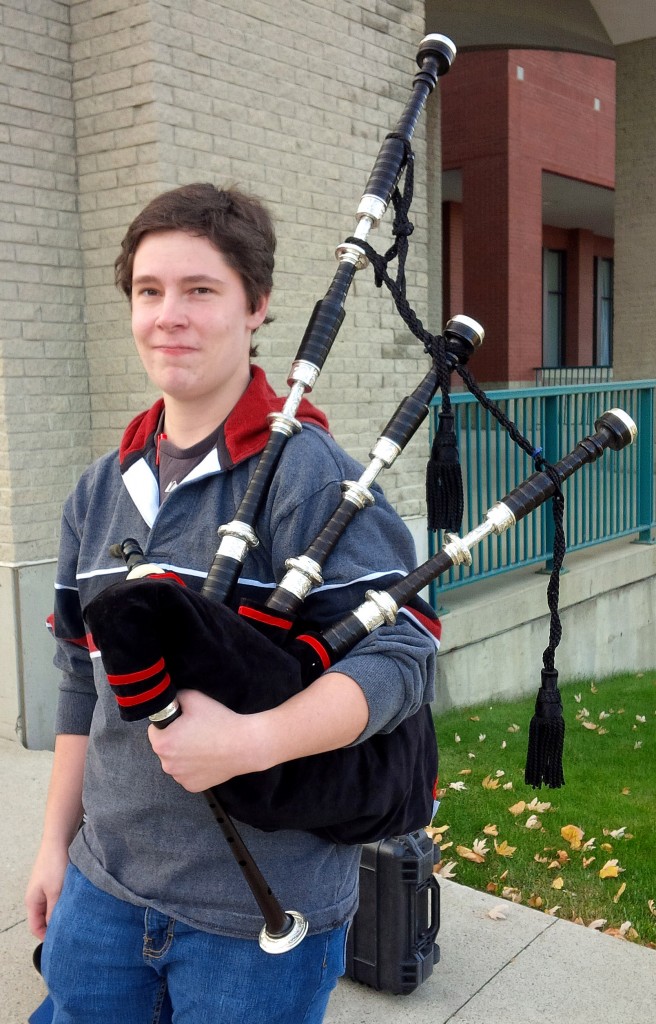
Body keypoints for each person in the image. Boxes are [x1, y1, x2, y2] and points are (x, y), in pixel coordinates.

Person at [25, 182, 440, 1023]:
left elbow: (404, 654)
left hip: (258, 917)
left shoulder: (313, 478)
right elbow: (81, 681)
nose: (168, 315)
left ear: (256, 307)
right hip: (104, 889)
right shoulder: (97, 492)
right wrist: (53, 846)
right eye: (149, 291)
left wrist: (255, 740)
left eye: (200, 290)